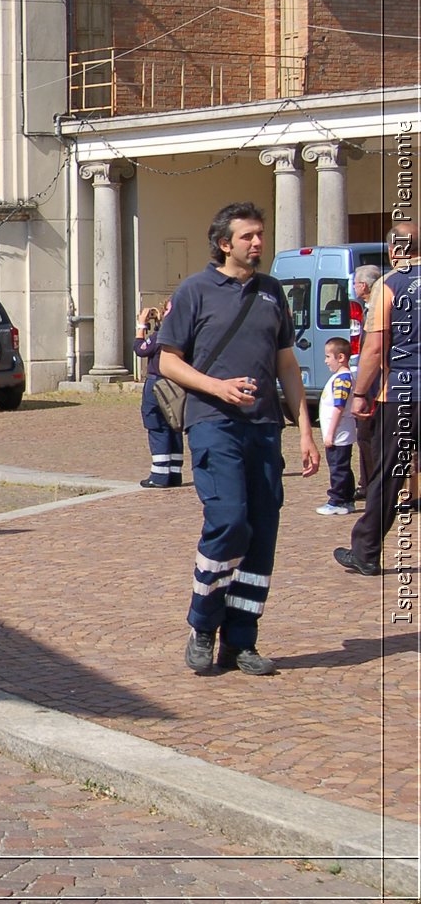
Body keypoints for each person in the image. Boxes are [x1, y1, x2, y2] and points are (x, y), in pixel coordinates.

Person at [158, 201, 319, 676]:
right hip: (213, 421)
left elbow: (287, 366)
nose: (257, 243)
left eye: (260, 235)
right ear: (224, 243)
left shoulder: (272, 293)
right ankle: (203, 625)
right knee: (229, 520)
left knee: (262, 533)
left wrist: (307, 433)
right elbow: (168, 360)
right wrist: (218, 388)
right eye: (248, 236)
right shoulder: (195, 291)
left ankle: (241, 639)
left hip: (265, 427)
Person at [335, 221, 419, 578]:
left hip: (401, 392)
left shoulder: (389, 285)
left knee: (388, 474)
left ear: (392, 250)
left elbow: (373, 349)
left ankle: (366, 552)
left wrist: (358, 395)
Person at [134, 301, 182, 488]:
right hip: (176, 383)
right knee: (174, 424)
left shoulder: (161, 336)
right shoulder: (185, 335)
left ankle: (159, 475)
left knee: (157, 425)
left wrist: (141, 326)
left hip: (157, 383)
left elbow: (140, 349)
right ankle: (174, 472)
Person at [351, 263, 384, 500]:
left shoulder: (379, 309)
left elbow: (374, 349)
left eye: (354, 283)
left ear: (362, 286)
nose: (353, 288)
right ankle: (367, 482)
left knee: (369, 434)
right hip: (370, 380)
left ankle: (375, 485)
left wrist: (362, 391)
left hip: (377, 383)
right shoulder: (367, 308)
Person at [317, 337, 357, 516]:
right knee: (343, 467)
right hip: (339, 433)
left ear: (340, 357)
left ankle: (337, 500)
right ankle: (347, 499)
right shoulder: (340, 377)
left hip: (339, 433)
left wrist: (330, 433)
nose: (325, 361)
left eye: (328, 357)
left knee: (338, 468)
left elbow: (339, 407)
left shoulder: (342, 379)